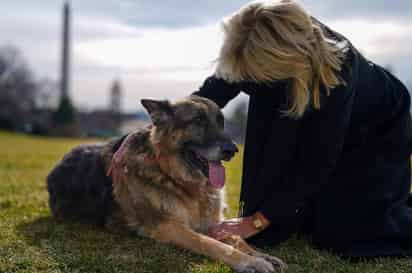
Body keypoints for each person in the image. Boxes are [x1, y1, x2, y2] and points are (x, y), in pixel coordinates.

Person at [192, 0, 412, 258]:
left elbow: (316, 160)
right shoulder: (247, 41)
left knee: (350, 236)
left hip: (376, 126)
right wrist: (159, 128)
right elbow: (210, 95)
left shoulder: (336, 73)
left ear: (281, 62)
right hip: (322, 115)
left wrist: (256, 221)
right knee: (298, 221)